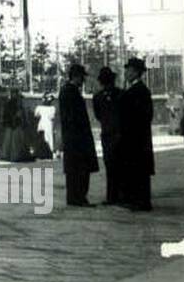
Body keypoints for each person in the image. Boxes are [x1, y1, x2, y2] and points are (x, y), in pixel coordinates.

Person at [58, 63, 98, 206]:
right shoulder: (71, 92)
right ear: (77, 77)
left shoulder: (65, 91)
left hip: (71, 137)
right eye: (82, 78)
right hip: (78, 137)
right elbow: (75, 117)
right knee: (80, 168)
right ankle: (79, 197)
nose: (83, 81)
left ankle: (73, 197)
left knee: (73, 169)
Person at [119, 57, 155, 211]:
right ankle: (139, 200)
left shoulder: (138, 91)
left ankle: (140, 201)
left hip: (135, 137)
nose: (126, 73)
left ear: (136, 72)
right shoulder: (139, 90)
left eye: (129, 70)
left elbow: (141, 115)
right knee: (137, 169)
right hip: (137, 137)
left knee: (137, 168)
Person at [92, 67, 123, 204]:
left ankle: (112, 196)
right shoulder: (121, 94)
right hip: (119, 133)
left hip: (108, 134)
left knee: (110, 166)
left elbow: (98, 116)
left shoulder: (97, 97)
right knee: (119, 165)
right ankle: (120, 195)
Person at [0, 88, 32, 162]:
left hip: (16, 124)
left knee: (16, 140)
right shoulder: (9, 103)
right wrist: (14, 117)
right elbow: (6, 113)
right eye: (13, 93)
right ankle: (12, 155)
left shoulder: (18, 103)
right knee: (10, 141)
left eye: (15, 93)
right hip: (12, 124)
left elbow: (22, 114)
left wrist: (22, 119)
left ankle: (16, 154)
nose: (15, 95)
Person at [33, 93, 56, 161]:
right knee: (46, 137)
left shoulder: (41, 108)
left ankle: (45, 152)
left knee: (46, 137)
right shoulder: (51, 108)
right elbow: (52, 117)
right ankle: (45, 152)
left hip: (44, 123)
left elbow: (36, 115)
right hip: (46, 123)